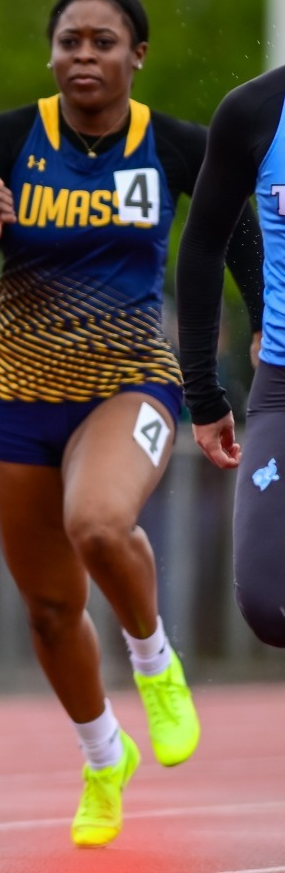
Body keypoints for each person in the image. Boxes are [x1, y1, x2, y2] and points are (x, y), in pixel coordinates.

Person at [0, 0, 259, 849]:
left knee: (97, 521)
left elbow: (234, 242)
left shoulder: (174, 145)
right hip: (17, 394)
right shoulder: (9, 141)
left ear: (136, 56)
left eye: (104, 42)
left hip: (132, 380)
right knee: (49, 608)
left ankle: (155, 661)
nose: (85, 56)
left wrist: (249, 352)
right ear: (51, 53)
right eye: (70, 41)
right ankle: (101, 756)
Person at [174, 63, 285, 653]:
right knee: (271, 605)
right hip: (282, 385)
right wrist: (202, 389)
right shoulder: (255, 111)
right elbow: (203, 242)